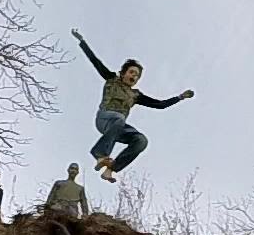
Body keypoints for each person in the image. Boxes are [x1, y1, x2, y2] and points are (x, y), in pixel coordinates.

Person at [71, 28, 194, 183]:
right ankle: (100, 154)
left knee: (141, 140)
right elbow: (95, 61)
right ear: (123, 73)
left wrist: (180, 97)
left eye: (137, 76)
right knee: (119, 118)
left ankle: (110, 170)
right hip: (104, 118)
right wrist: (82, 41)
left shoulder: (136, 95)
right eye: (131, 73)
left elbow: (160, 105)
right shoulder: (111, 79)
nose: (134, 77)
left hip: (118, 126)